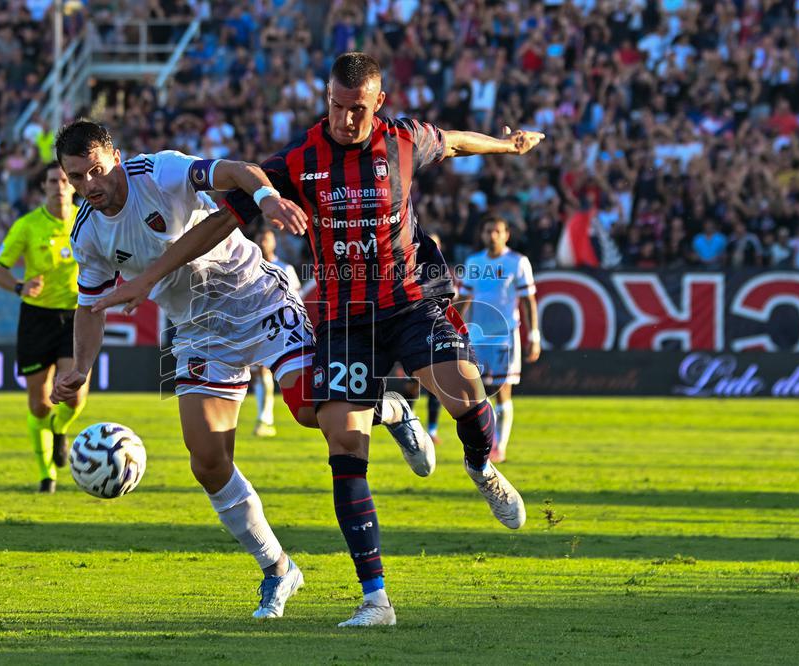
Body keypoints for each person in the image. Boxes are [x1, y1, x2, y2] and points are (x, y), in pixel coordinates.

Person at [99, 53, 544, 627]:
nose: (345, 119)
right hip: (344, 317)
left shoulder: (405, 139)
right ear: (326, 99)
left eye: (357, 109)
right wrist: (151, 276)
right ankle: (375, 599)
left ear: (378, 104)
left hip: (410, 299)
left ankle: (481, 467)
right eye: (336, 106)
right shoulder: (298, 160)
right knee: (342, 444)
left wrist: (507, 147)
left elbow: (455, 141)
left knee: (467, 396)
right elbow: (219, 223)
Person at [49, 120, 433, 621]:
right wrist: (81, 366)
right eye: (76, 177)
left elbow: (239, 172)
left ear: (115, 157)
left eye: (95, 171)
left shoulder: (160, 172)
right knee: (206, 460)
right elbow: (90, 305)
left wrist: (269, 197)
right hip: (200, 329)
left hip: (255, 297)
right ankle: (277, 568)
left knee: (307, 411)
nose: (88, 186)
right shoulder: (87, 232)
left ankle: (389, 406)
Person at [0, 162, 89, 493]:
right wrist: (19, 286)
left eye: (64, 180)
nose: (58, 186)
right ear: (42, 187)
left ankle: (60, 429)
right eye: (51, 181)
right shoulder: (27, 225)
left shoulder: (88, 219)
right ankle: (47, 474)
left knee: (72, 396)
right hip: (36, 318)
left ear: (73, 185)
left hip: (76, 315)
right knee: (39, 403)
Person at [459, 216, 540, 463]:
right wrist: (451, 330)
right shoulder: (474, 262)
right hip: (477, 337)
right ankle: (487, 443)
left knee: (504, 392)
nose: (492, 235)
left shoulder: (518, 262)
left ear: (506, 235)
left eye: (497, 231)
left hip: (505, 336)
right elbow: (463, 300)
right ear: (482, 234)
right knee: (480, 394)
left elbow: (528, 301)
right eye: (488, 231)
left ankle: (499, 447)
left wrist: (534, 335)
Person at [252, 227, 302, 438]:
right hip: (255, 326)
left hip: (280, 326)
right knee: (259, 373)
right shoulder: (249, 267)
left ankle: (267, 418)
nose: (263, 242)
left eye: (267, 238)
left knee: (273, 371)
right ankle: (265, 418)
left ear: (273, 242)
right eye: (260, 238)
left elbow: (295, 298)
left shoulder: (285, 268)